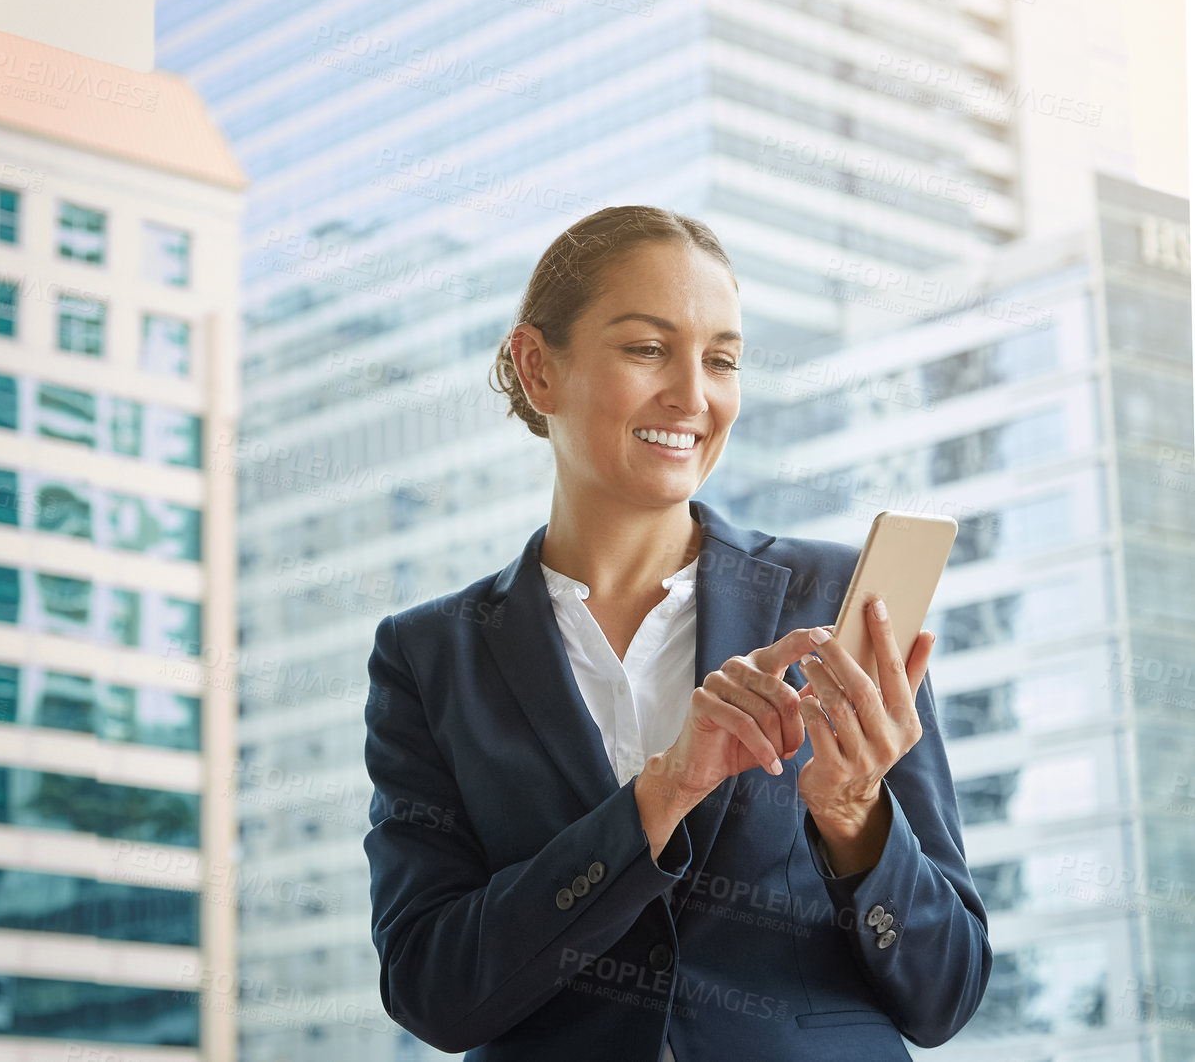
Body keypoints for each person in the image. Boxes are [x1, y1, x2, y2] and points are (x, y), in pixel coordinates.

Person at [361, 206, 991, 1060]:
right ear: (537, 368)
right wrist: (659, 800)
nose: (692, 396)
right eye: (647, 348)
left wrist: (856, 816)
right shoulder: (432, 658)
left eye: (722, 360)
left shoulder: (837, 600)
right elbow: (431, 989)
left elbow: (946, 992)